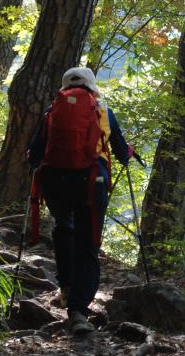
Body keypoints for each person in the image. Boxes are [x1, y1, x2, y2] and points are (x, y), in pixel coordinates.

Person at [28, 67, 132, 334]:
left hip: (55, 182)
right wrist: (127, 152)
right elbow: (121, 152)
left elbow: (34, 154)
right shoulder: (102, 111)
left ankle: (65, 288)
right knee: (88, 245)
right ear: (93, 86)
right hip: (90, 184)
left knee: (64, 227)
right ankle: (77, 311)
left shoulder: (52, 112)